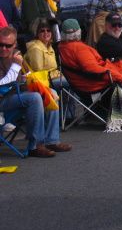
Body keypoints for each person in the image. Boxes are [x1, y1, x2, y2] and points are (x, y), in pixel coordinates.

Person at [0, 26, 71, 157]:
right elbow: (2, 84)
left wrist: (25, 76)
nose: (3, 48)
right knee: (35, 98)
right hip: (3, 98)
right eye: (1, 44)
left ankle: (52, 140)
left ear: (14, 44)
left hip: (17, 92)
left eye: (7, 45)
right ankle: (35, 145)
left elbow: (28, 74)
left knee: (50, 93)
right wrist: (16, 67)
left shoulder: (17, 54)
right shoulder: (12, 59)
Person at [24, 18, 63, 83]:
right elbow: (38, 72)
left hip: (53, 77)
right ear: (37, 33)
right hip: (43, 82)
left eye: (48, 30)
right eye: (42, 31)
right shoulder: (35, 48)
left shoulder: (49, 47)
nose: (46, 33)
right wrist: (56, 74)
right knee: (72, 81)